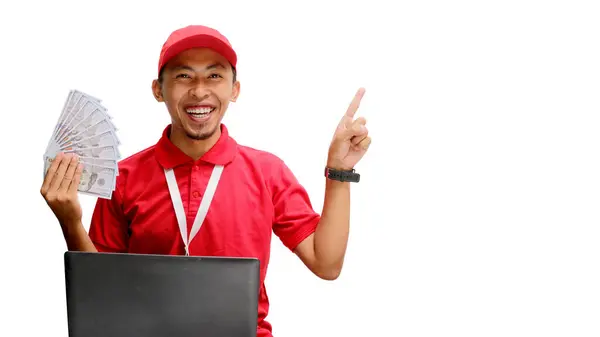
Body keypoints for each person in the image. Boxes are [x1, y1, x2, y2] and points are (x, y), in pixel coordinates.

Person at [40, 24, 371, 337]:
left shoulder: (267, 171)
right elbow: (101, 295)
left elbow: (326, 263)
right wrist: (70, 222)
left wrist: (338, 172)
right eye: (183, 76)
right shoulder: (124, 177)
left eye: (214, 75)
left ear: (234, 89)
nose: (200, 91)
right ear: (158, 90)